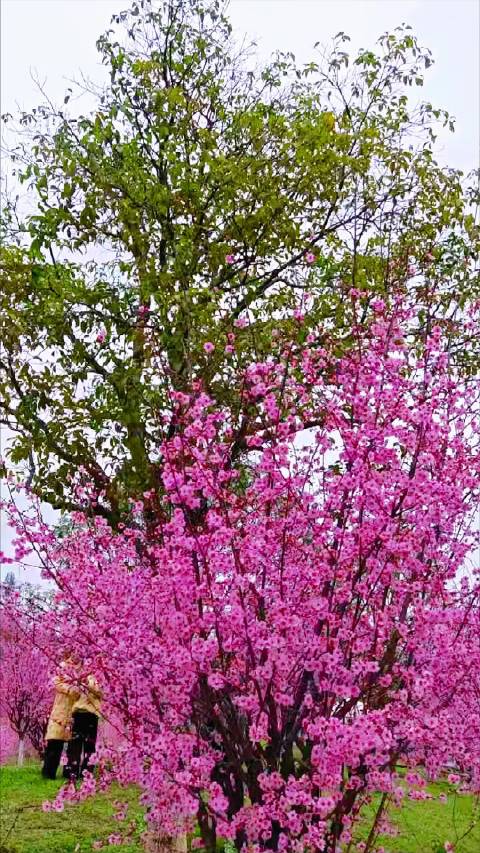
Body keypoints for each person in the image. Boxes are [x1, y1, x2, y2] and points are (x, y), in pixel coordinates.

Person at [42, 662, 79, 779]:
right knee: (54, 746)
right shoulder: (59, 681)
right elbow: (68, 689)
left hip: (70, 717)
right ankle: (48, 773)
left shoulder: (75, 681)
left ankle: (67, 773)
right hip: (58, 716)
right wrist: (72, 685)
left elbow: (76, 693)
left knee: (70, 748)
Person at [64, 674, 102, 779]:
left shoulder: (99, 676)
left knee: (89, 744)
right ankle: (72, 771)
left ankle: (87, 772)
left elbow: (100, 693)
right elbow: (72, 695)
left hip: (91, 714)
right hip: (78, 713)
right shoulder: (77, 675)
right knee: (75, 743)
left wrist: (87, 685)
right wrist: (77, 686)